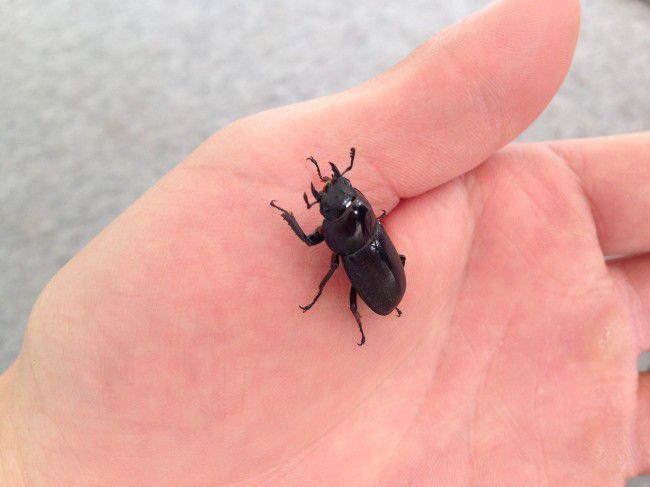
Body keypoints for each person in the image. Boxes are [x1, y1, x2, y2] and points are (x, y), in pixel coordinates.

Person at [1, 0, 648, 484]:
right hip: (382, 278)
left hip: (380, 281)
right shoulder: (359, 232)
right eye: (331, 198)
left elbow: (327, 243)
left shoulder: (344, 237)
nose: (336, 196)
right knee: (342, 281)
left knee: (333, 284)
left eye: (337, 195)